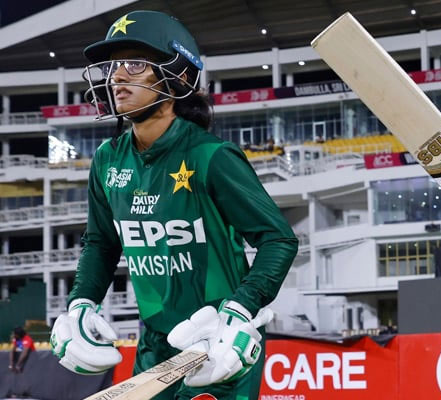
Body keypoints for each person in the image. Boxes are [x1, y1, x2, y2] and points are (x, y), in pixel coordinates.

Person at [49, 10, 298, 400]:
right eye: (114, 66)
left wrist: (241, 309)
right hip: (155, 341)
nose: (116, 77)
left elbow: (278, 240)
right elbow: (101, 243)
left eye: (134, 64)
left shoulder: (211, 157)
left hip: (219, 339)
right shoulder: (107, 160)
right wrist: (80, 302)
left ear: (179, 76)